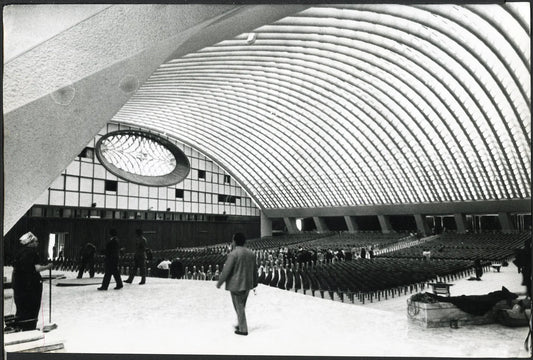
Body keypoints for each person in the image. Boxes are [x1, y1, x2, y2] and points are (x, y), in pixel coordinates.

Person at [216, 233, 258, 336]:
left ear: (234, 241)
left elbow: (226, 270)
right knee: (241, 306)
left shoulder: (233, 254)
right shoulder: (251, 254)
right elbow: (254, 270)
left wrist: (220, 282)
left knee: (239, 306)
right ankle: (240, 323)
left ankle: (243, 329)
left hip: (236, 285)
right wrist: (254, 283)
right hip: (247, 284)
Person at [12, 232, 53, 330]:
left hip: (19, 284)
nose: (37, 243)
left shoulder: (20, 252)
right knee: (32, 306)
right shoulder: (32, 252)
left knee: (22, 307)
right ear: (30, 242)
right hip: (30, 286)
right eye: (36, 241)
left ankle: (21, 325)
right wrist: (48, 267)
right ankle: (29, 327)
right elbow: (36, 268)